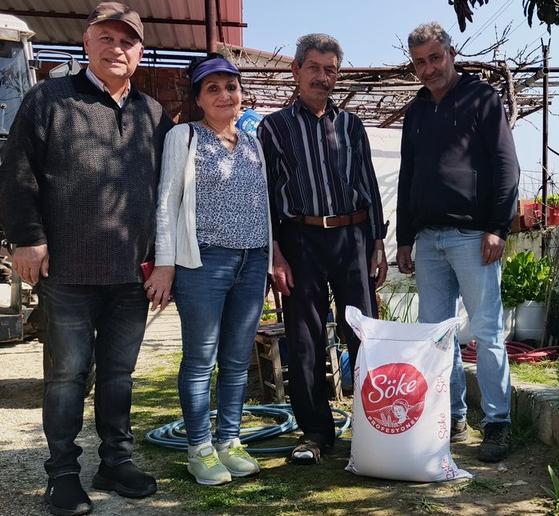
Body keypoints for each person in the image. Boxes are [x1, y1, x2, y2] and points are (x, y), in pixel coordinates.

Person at [0, 3, 173, 514]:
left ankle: (115, 461)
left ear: (139, 52)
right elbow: (16, 173)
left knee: (119, 375)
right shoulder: (48, 99)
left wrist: (163, 260)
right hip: (67, 271)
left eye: (127, 41)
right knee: (66, 375)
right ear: (87, 41)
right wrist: (27, 238)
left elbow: (167, 196)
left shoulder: (154, 114)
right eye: (107, 37)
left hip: (130, 274)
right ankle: (63, 473)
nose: (116, 48)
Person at [257, 33, 388, 464]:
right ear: (296, 71)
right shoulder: (272, 128)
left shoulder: (352, 126)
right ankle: (314, 433)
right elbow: (266, 196)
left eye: (330, 70)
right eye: (314, 67)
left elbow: (368, 185)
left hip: (352, 238)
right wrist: (275, 254)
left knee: (363, 335)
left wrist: (377, 244)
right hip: (299, 240)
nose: (322, 77)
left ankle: (375, 426)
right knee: (305, 338)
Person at [396, 22, 520, 463]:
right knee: (437, 337)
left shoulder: (482, 99)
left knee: (487, 333)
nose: (428, 68)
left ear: (451, 52)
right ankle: (450, 417)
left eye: (435, 57)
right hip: (428, 242)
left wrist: (497, 227)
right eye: (419, 63)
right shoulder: (416, 111)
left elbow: (506, 165)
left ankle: (498, 423)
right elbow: (408, 175)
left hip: (473, 237)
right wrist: (405, 238)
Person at [148, 55, 270, 485]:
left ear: (241, 93)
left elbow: (265, 206)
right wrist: (164, 265)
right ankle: (199, 448)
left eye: (230, 87)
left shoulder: (254, 142)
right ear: (198, 98)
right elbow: (166, 202)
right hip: (204, 261)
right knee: (201, 359)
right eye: (212, 88)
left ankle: (229, 441)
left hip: (253, 260)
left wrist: (270, 260)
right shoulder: (186, 136)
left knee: (237, 360)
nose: (224, 95)